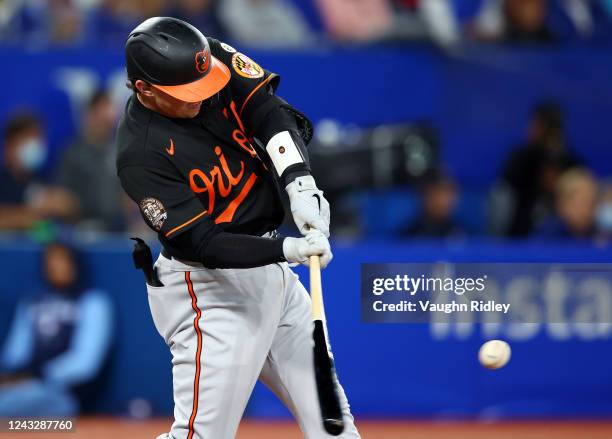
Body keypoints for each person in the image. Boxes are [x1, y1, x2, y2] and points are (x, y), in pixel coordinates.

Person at [116, 17, 359, 439]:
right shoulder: (140, 152)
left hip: (273, 278)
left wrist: (299, 181)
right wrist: (289, 251)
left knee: (333, 427)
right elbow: (204, 243)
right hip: (210, 291)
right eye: (185, 94)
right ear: (145, 90)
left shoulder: (208, 58)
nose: (201, 96)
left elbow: (268, 112)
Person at [0, 242, 114, 416]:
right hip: (21, 386)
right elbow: (14, 355)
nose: (57, 267)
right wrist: (11, 377)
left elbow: (85, 364)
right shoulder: (32, 302)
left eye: (63, 260)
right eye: (52, 261)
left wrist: (39, 376)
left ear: (75, 263)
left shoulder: (92, 302)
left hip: (64, 395)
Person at [492, 101, 580, 237]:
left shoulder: (569, 160)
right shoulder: (522, 158)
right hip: (521, 230)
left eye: (538, 125)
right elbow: (506, 187)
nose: (531, 129)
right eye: (533, 124)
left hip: (565, 233)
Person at [56, 89, 124, 231]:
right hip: (83, 227)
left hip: (119, 228)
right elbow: (63, 197)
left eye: (109, 117)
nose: (106, 121)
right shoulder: (73, 154)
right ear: (90, 116)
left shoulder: (119, 152)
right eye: (101, 115)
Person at [0, 113, 77, 230]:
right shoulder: (3, 179)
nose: (34, 144)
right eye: (28, 137)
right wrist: (28, 216)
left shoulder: (41, 178)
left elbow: (67, 207)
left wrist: (64, 204)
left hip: (34, 246)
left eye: (38, 137)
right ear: (9, 146)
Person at [535, 167, 598, 240]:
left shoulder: (600, 235)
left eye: (591, 202)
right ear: (562, 204)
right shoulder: (546, 237)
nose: (586, 209)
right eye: (581, 202)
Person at [400, 169, 464, 238]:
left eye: (447, 194)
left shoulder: (465, 236)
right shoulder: (406, 238)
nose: (442, 200)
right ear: (423, 196)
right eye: (436, 194)